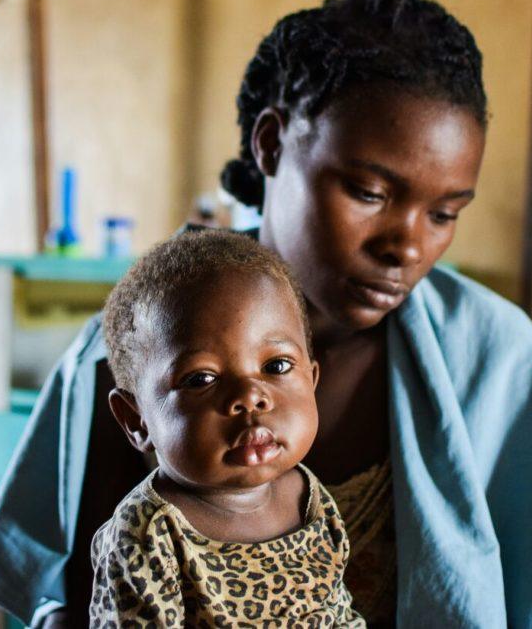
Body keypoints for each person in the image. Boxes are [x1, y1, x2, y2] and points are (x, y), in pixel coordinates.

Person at [0, 0, 532, 628]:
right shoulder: (139, 348)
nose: (406, 245)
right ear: (271, 143)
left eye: (443, 213)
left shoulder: (505, 367)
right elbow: (84, 602)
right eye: (369, 191)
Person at [90, 230, 363, 627]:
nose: (250, 396)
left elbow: (338, 613)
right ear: (136, 420)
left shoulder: (309, 497)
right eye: (201, 379)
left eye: (277, 366)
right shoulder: (149, 535)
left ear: (312, 379)